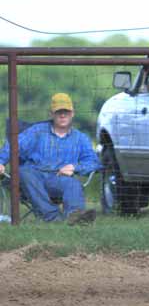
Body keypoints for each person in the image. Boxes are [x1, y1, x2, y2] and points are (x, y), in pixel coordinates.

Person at [0, 93, 101, 225]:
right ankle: (53, 217)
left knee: (73, 183)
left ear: (72, 113)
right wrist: (1, 161)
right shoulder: (36, 131)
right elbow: (14, 145)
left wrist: (75, 167)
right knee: (23, 172)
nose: (63, 115)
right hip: (33, 176)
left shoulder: (81, 138)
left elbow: (94, 163)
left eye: (66, 111)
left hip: (58, 179)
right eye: (59, 112)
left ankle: (75, 217)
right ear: (51, 114)